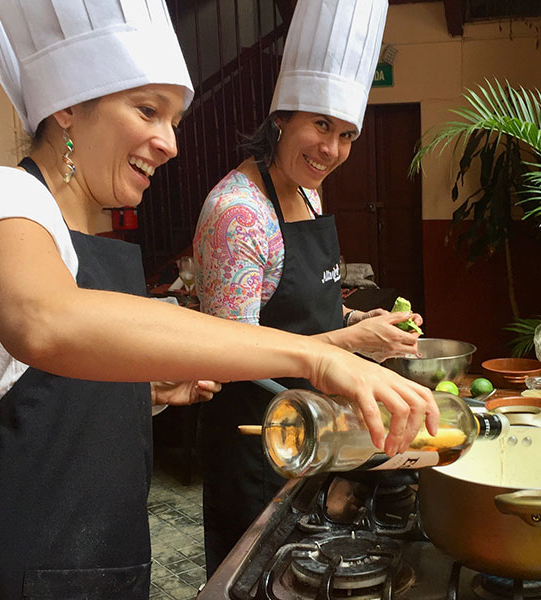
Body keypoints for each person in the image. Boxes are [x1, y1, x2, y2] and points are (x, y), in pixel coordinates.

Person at [0, 1, 436, 598]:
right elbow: (45, 323)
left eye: (174, 119)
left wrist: (139, 392)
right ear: (68, 105)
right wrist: (320, 356)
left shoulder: (92, 236)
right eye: (148, 111)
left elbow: (36, 386)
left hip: (98, 558)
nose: (170, 143)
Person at [191, 0, 420, 575]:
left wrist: (357, 326)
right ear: (280, 120)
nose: (332, 150)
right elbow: (231, 356)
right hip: (259, 443)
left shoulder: (308, 192)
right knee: (258, 580)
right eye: (320, 126)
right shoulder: (238, 213)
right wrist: (350, 346)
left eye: (346, 135)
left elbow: (299, 311)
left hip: (315, 430)